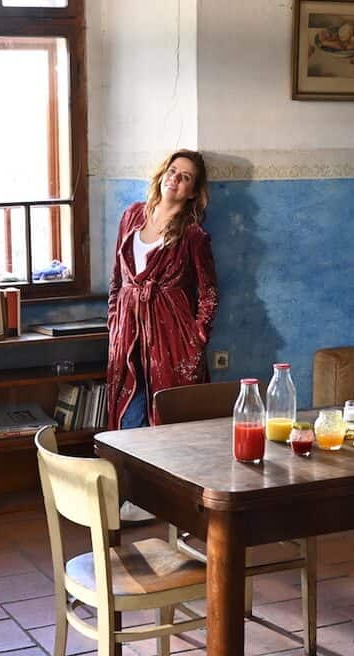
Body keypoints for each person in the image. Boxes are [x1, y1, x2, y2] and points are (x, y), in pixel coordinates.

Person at [106, 151, 220, 521]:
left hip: (172, 336)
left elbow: (209, 293)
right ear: (162, 175)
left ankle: (164, 499)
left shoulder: (193, 235)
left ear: (193, 191)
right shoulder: (132, 216)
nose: (176, 179)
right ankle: (134, 493)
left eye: (186, 177)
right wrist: (114, 320)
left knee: (169, 415)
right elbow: (117, 278)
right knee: (128, 408)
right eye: (173, 171)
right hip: (128, 330)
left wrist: (196, 338)